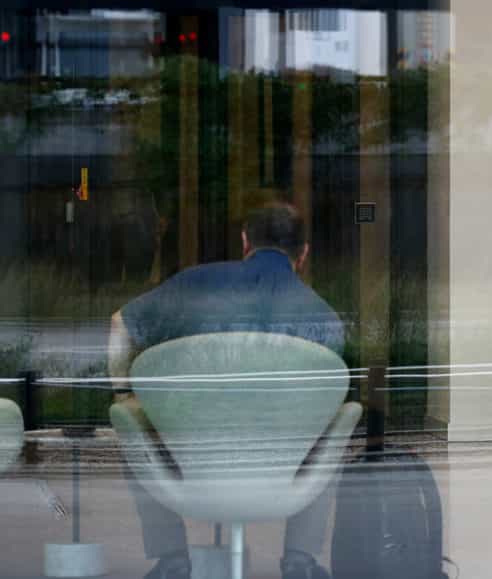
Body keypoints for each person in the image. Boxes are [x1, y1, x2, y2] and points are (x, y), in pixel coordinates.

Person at [108, 202, 345, 579]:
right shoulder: (325, 318)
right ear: (303, 254)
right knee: (334, 425)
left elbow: (120, 325)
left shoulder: (193, 285)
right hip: (282, 479)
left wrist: (126, 397)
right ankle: (299, 560)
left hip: (190, 467)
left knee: (130, 422)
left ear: (245, 241)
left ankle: (172, 559)